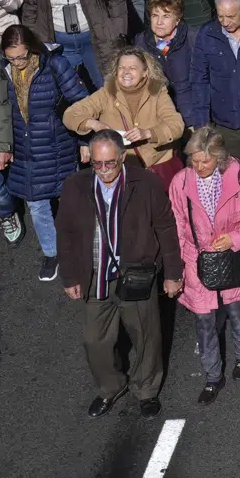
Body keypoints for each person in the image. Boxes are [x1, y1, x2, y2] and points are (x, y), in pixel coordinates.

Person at [58, 131, 180, 417]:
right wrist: (69, 276)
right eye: (97, 164)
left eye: (109, 163)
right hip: (95, 279)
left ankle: (146, 390)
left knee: (146, 337)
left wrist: (172, 272)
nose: (103, 170)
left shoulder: (146, 183)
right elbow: (65, 234)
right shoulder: (75, 186)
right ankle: (110, 387)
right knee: (94, 341)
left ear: (123, 157)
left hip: (136, 278)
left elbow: (166, 227)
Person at [165, 130, 240, 404]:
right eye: (194, 161)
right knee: (204, 322)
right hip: (196, 260)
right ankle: (213, 377)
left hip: (234, 257)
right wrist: (181, 264)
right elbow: (177, 225)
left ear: (219, 158)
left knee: (238, 312)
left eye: (205, 161)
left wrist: (236, 239)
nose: (199, 167)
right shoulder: (180, 183)